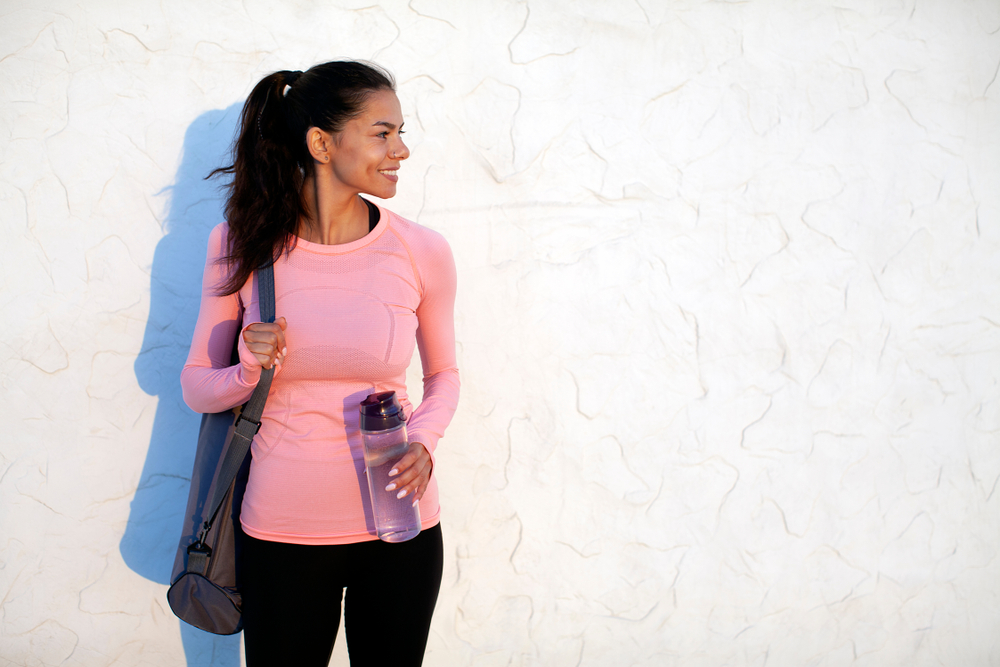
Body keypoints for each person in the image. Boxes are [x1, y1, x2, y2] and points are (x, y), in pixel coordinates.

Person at [180, 61, 459, 666]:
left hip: (400, 528)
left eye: (400, 132)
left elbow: (444, 376)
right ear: (321, 142)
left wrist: (427, 441)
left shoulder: (421, 249)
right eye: (383, 133)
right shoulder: (241, 244)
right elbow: (198, 389)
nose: (401, 150)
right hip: (282, 532)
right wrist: (248, 368)